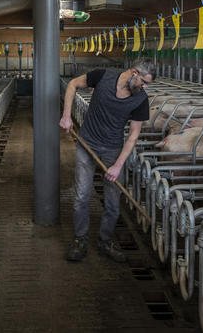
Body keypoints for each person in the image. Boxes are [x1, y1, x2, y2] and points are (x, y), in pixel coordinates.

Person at [59, 60, 156, 262]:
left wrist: (118, 164)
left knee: (112, 200)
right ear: (134, 73)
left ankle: (105, 241)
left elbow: (133, 136)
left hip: (113, 149)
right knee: (81, 196)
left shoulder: (140, 99)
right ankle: (80, 239)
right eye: (144, 82)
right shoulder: (102, 76)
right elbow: (72, 85)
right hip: (87, 144)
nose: (145, 87)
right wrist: (67, 115)